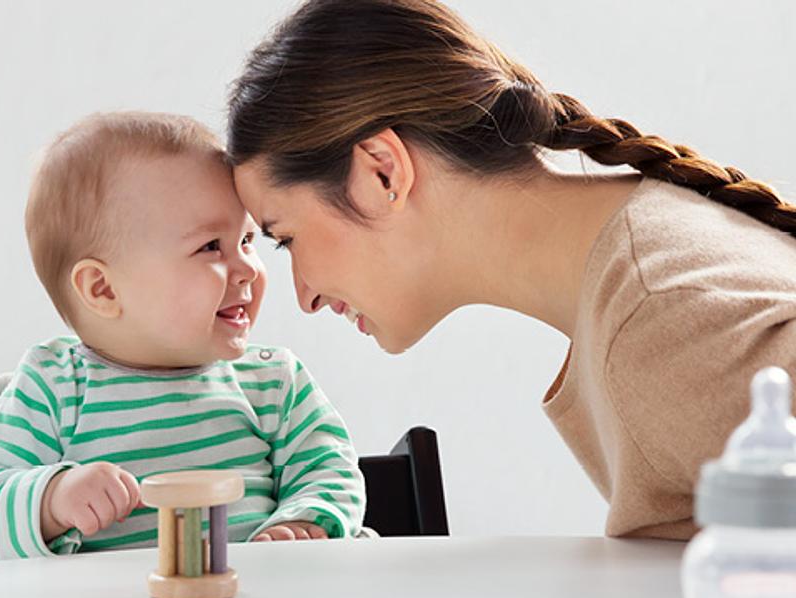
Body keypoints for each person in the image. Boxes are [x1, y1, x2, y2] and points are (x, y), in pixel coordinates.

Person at [228, 0, 796, 540]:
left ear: (382, 172)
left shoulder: (664, 324)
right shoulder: (650, 261)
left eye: (285, 239)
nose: (304, 297)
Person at [0, 112, 364, 563]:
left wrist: (303, 522)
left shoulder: (274, 382)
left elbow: (328, 471)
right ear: (103, 290)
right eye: (210, 247)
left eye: (245, 241)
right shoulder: (53, 387)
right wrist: (52, 499)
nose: (247, 269)